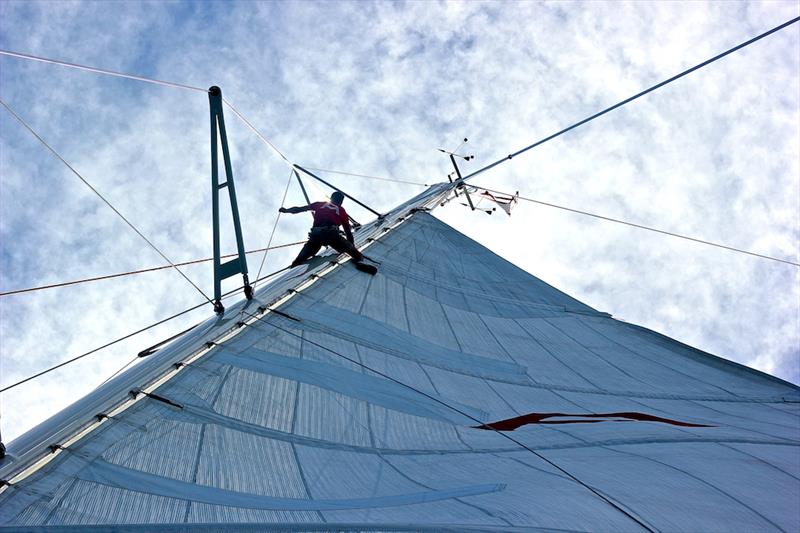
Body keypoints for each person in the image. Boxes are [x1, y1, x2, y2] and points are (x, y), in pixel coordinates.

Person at [280, 191, 367, 268]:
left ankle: (294, 266)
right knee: (356, 255)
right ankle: (360, 262)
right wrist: (352, 247)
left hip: (316, 236)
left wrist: (286, 210)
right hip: (332, 235)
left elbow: (300, 209)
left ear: (331, 198)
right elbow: (348, 232)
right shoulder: (341, 210)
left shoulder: (320, 204)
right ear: (341, 201)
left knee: (299, 260)